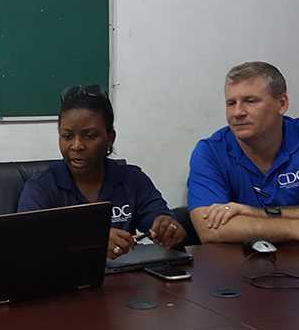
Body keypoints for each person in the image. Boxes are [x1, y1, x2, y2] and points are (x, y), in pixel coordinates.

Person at [187, 61, 299, 247]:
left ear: (282, 103)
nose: (237, 112)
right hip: (245, 269)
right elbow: (208, 228)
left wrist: (256, 214)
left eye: (250, 101)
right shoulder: (210, 151)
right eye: (231, 103)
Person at [18, 85, 186, 260]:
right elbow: (26, 246)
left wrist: (169, 229)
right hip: (62, 282)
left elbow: (161, 219)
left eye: (89, 136)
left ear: (110, 138)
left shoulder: (132, 179)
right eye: (67, 136)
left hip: (123, 282)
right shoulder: (41, 187)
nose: (76, 146)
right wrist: (90, 241)